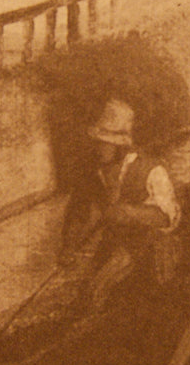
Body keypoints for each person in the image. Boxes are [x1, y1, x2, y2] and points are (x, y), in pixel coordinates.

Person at [59, 99, 181, 310]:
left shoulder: (151, 170)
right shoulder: (93, 171)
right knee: (89, 294)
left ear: (121, 146)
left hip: (148, 247)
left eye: (104, 143)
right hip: (113, 244)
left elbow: (167, 216)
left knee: (114, 293)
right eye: (97, 142)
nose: (98, 148)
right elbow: (78, 210)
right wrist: (68, 246)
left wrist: (129, 212)